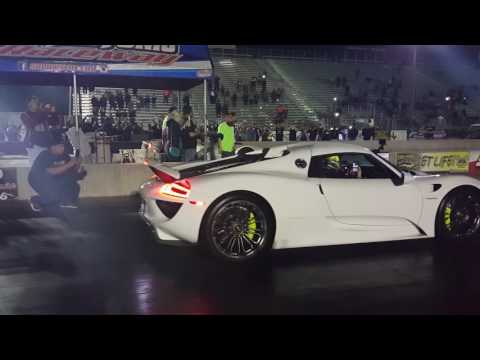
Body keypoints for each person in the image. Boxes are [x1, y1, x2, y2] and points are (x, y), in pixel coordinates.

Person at [28, 130, 87, 212]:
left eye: (63, 146)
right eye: (61, 146)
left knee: (73, 184)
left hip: (54, 179)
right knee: (53, 195)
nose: (63, 148)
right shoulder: (45, 155)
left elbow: (70, 171)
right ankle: (36, 200)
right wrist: (69, 164)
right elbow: (49, 172)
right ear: (53, 147)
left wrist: (78, 165)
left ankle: (66, 201)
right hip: (38, 180)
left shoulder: (64, 155)